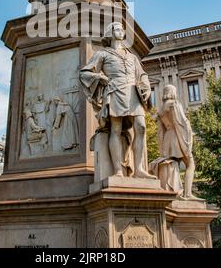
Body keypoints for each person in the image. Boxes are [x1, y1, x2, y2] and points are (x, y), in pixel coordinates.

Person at [79, 22, 155, 179]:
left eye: (122, 29)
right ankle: (118, 170)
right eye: (118, 29)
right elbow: (85, 73)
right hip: (115, 91)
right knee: (116, 129)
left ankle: (139, 169)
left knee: (140, 127)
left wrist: (146, 85)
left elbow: (142, 75)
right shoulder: (103, 54)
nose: (121, 31)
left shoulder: (132, 56)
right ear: (110, 33)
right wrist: (101, 77)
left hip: (133, 92)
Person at [149, 84, 197, 199]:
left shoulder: (161, 110)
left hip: (167, 138)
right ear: (173, 92)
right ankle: (188, 194)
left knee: (174, 164)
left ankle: (176, 190)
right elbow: (180, 123)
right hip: (177, 136)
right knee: (190, 164)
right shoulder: (174, 104)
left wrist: (162, 148)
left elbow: (160, 132)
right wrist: (187, 139)